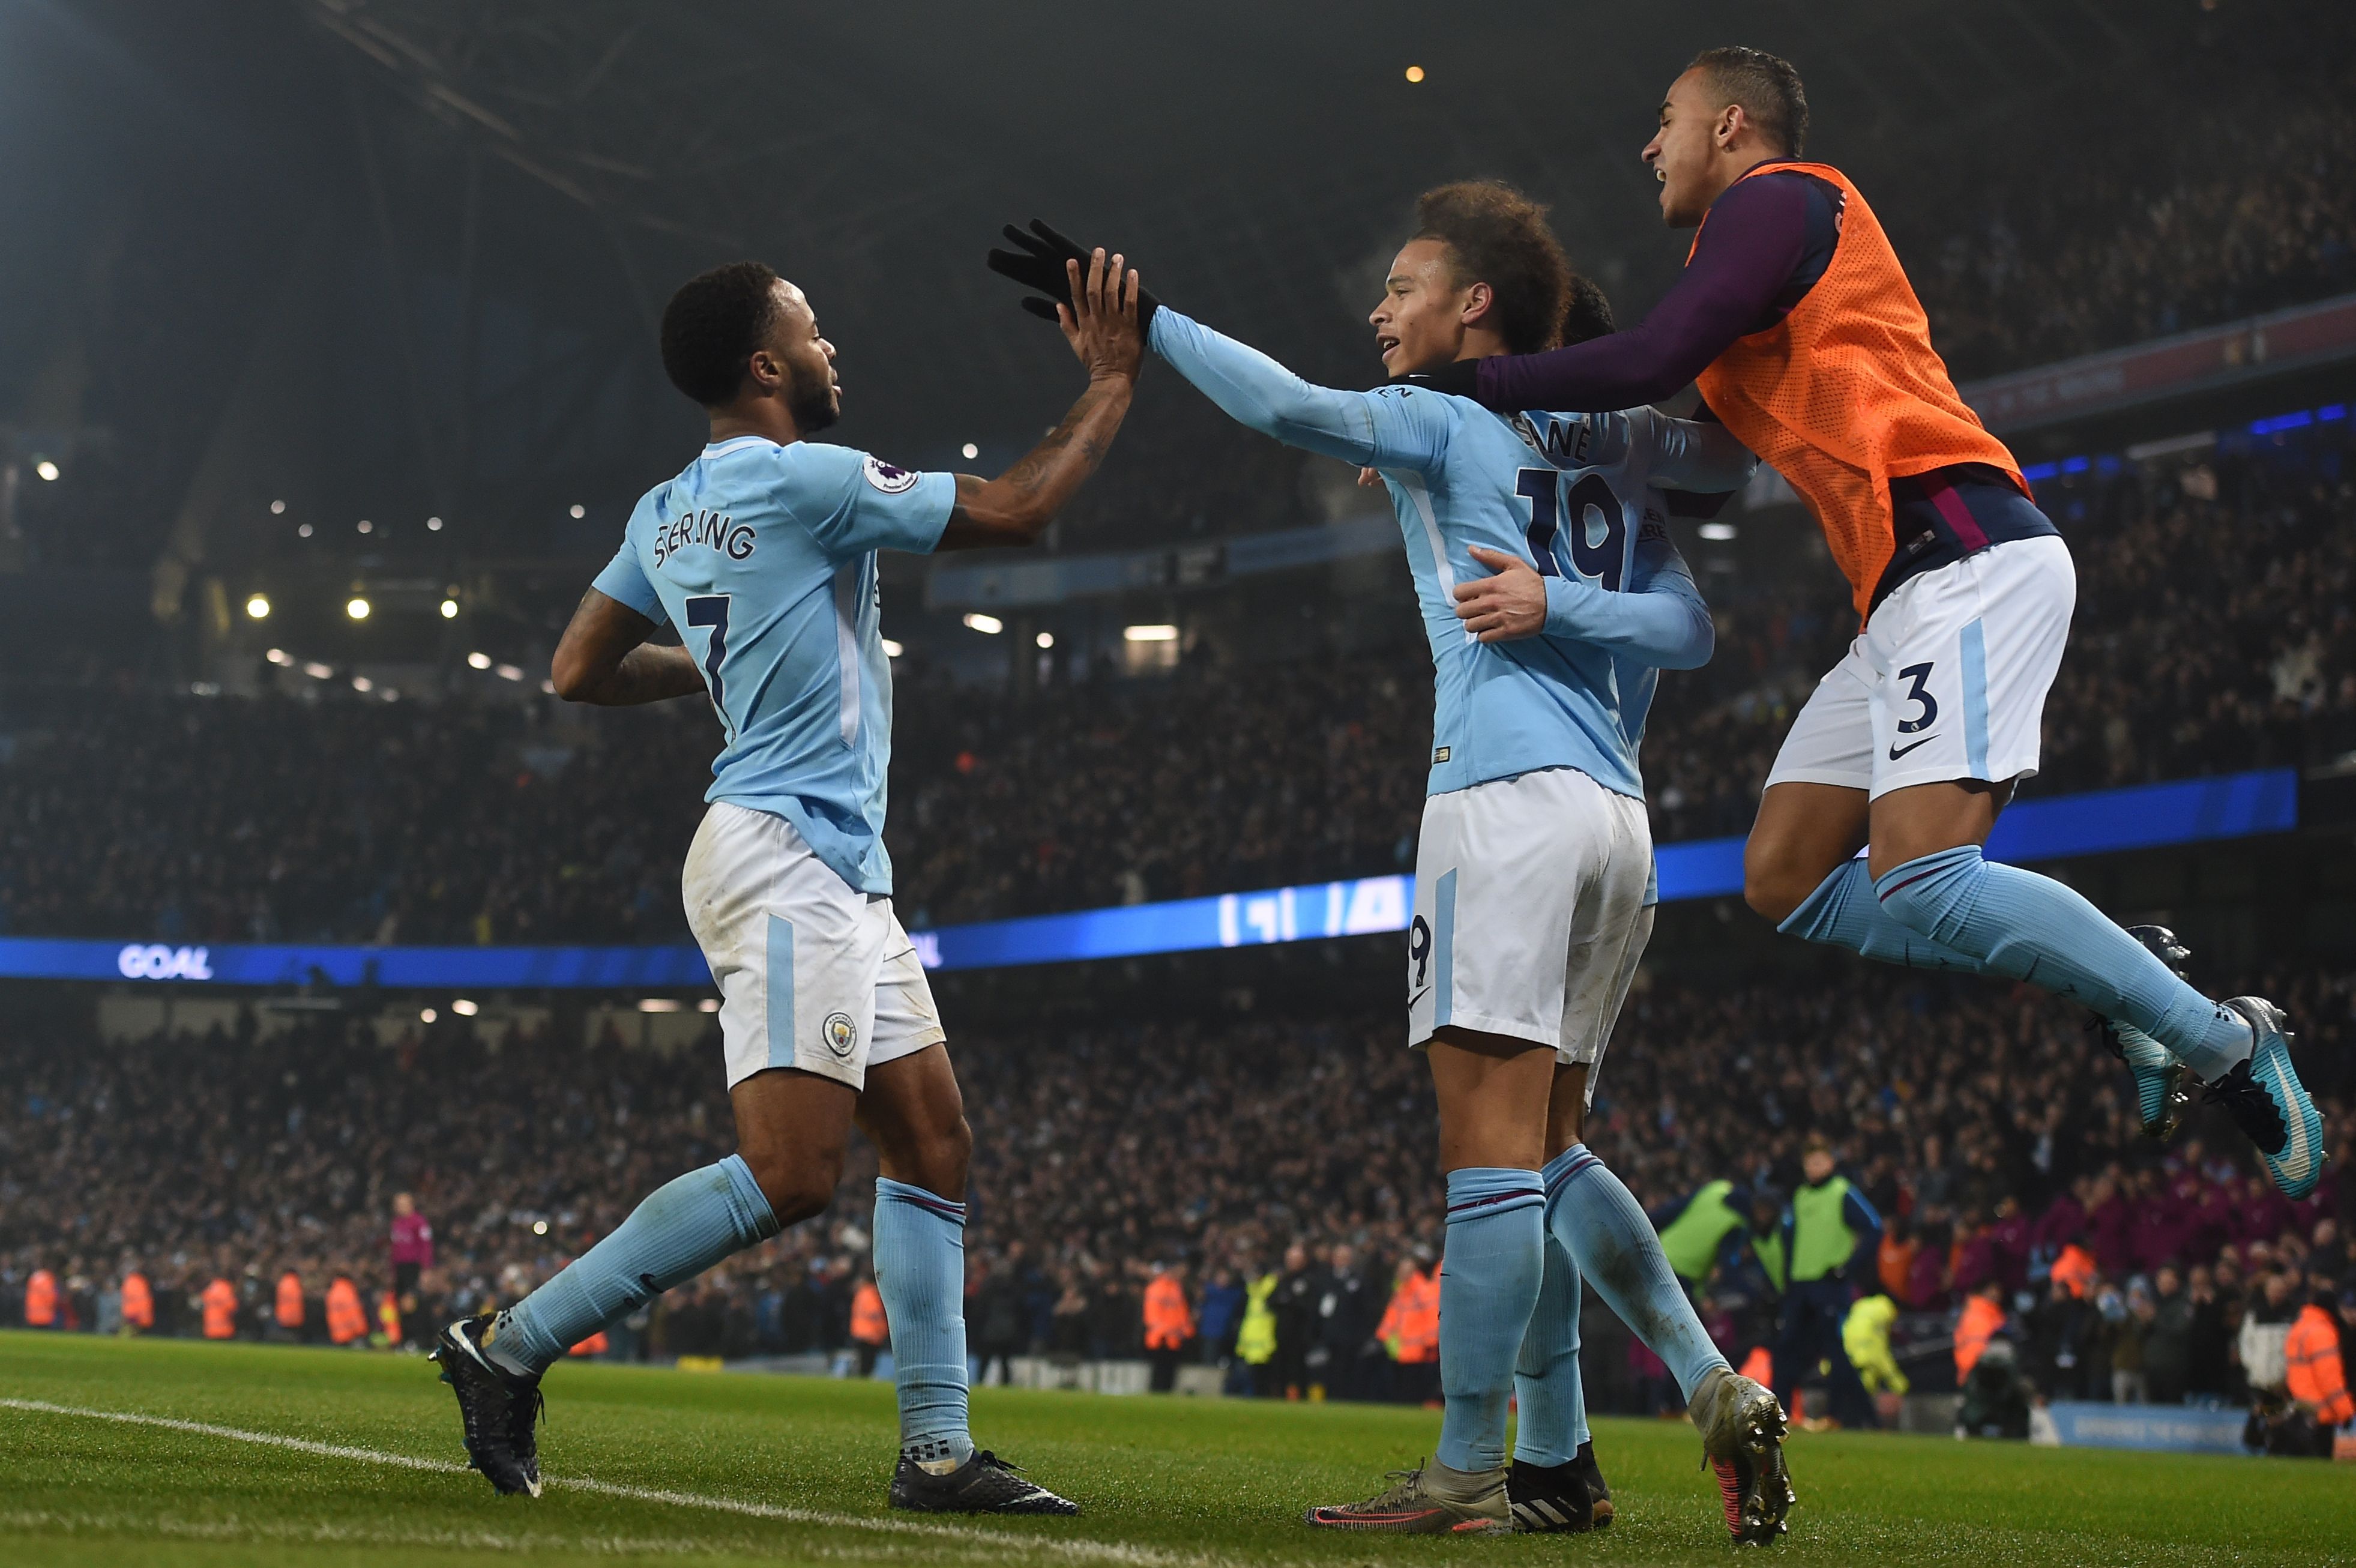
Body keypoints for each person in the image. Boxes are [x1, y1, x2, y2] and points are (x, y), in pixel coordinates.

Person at [989, 185, 1787, 1543]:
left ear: (1476, 306)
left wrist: (1148, 318)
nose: (1379, 310)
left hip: (1500, 806)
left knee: (1485, 1161)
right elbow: (1687, 610)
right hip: (1618, 821)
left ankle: (1467, 1467)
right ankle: (1655, 1408)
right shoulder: (1612, 444)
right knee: (1546, 1152)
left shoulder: (1440, 420)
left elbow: (1287, 407)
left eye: (1404, 287)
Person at [1420, 44, 2322, 1201]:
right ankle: (2127, 978)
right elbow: (1702, 474)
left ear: (1733, 126)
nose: (1648, 146)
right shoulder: (1741, 279)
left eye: (1666, 121)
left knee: (1926, 877)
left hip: (1971, 555)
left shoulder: (1781, 202)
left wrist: (1459, 387)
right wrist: (1512, 443)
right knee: (1784, 876)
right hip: (1900, 593)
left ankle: (2222, 1040)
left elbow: (1647, 359)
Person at [429, 247, 1146, 1516]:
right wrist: (1109, 379)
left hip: (835, 869)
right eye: (812, 334)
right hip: (782, 855)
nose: (831, 351)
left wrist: (711, 671)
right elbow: (1023, 505)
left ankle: (937, 1452)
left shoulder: (664, 510)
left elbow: (577, 670)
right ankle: (512, 1343)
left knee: (932, 1143)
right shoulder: (814, 482)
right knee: (793, 1172)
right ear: (766, 365)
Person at [1759, 1136, 1882, 1429]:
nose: (1814, 1168)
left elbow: (1874, 1228)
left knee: (1835, 1353)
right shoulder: (1801, 1196)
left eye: (1819, 1162)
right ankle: (1780, 1417)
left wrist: (1846, 1268)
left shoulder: (1842, 1192)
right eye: (1809, 1163)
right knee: (1787, 1350)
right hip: (1801, 1286)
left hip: (1828, 1285)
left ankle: (1846, 1416)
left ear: (1831, 1163)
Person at [1142, 1265, 1194, 1393]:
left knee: (1169, 1371)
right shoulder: (1157, 1289)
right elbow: (1152, 1317)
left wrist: (1186, 1331)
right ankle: (1157, 1393)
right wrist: (1172, 1330)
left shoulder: (1176, 1288)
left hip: (1174, 1337)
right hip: (1161, 1337)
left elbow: (1182, 1313)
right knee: (1160, 1370)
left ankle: (1163, 1394)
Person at [391, 1193, 433, 1343]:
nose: (398, 1207)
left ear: (410, 1204)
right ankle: (405, 1338)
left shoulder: (419, 1222)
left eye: (401, 1203)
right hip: (400, 1268)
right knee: (401, 1304)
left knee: (411, 1303)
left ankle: (415, 1339)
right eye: (397, 1204)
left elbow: (426, 1245)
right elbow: (395, 1249)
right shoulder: (396, 1223)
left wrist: (425, 1269)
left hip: (413, 1267)